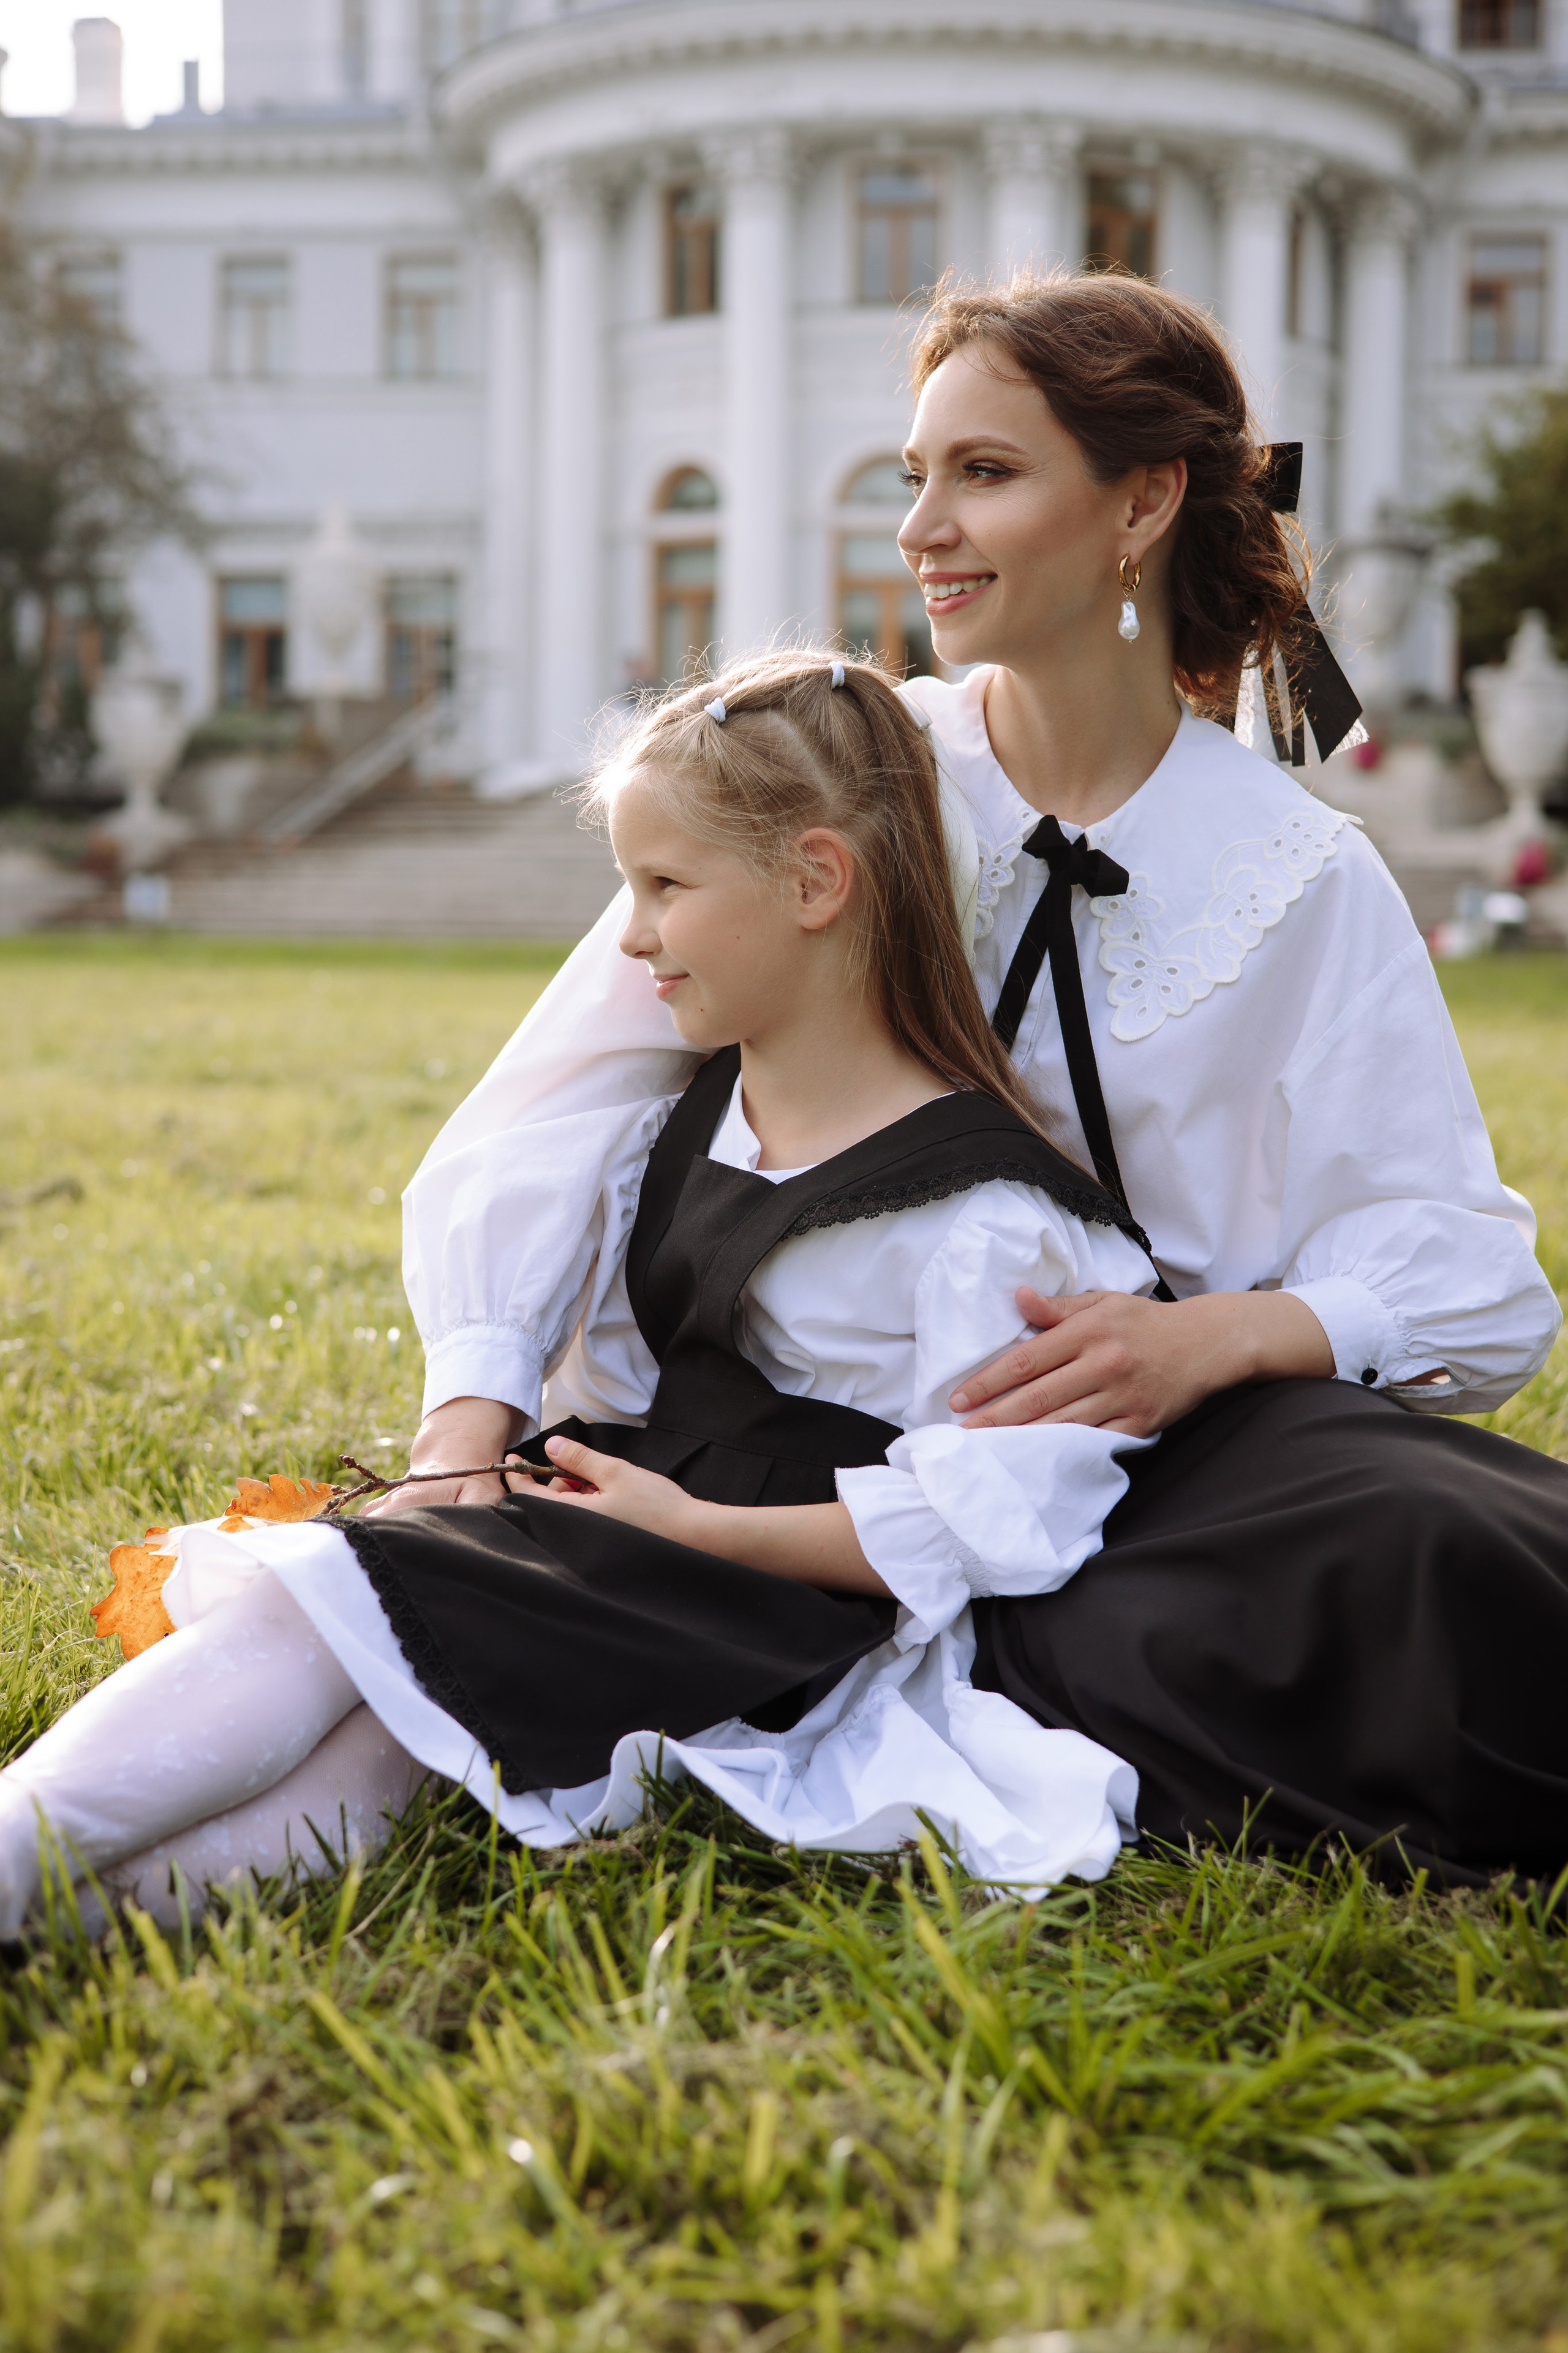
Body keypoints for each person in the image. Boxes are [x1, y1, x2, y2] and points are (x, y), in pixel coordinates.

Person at [375, 270, 1567, 1886]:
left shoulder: (1302, 872)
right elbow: (568, 1090)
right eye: (915, 473)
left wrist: (1209, 1340)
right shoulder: (852, 770)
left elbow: (1472, 1278)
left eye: (983, 474)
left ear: (1143, 502)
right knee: (1192, 1647)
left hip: (1152, 1457)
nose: (918, 526)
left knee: (1456, 1555)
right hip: (792, 1438)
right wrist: (473, 1416)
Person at [0, 650, 1167, 1936]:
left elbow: (990, 1517)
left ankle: (23, 1871)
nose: (632, 936)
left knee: (337, 1617)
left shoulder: (987, 1216)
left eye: (664, 887)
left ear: (815, 882)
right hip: (626, 1526)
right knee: (393, 1704)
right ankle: (36, 1893)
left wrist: (699, 1530)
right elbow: (611, 1364)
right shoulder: (676, 1124)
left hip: (773, 1612)